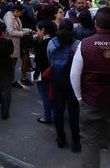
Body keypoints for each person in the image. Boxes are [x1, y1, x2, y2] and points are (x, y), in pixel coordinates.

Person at [70, 7, 110, 167]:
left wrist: (79, 97)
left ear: (96, 24)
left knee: (90, 142)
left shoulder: (84, 45)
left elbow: (74, 75)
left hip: (92, 101)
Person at [47, 19, 81, 152]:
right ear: (72, 30)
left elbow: (49, 59)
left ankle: (60, 138)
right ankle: (76, 141)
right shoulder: (77, 44)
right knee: (73, 112)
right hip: (72, 81)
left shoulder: (52, 43)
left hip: (56, 79)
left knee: (58, 110)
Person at [33, 20, 57, 125]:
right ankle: (55, 113)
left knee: (45, 95)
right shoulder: (55, 40)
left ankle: (47, 117)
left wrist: (35, 75)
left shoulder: (43, 43)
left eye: (38, 30)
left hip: (44, 73)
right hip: (55, 71)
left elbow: (39, 62)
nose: (37, 32)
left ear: (43, 30)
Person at [4, 2, 32, 87]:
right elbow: (11, 31)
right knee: (13, 63)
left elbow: (19, 28)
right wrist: (22, 33)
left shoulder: (16, 17)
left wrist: (27, 30)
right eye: (21, 12)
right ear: (16, 11)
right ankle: (12, 80)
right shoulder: (10, 18)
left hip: (18, 42)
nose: (21, 14)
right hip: (12, 43)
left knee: (21, 60)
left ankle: (19, 79)